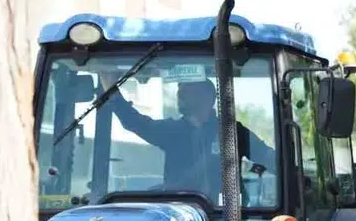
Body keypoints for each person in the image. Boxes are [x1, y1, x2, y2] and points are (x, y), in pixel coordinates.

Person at [101, 75, 276, 199]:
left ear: (208, 97)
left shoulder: (232, 132)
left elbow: (266, 155)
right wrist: (111, 90)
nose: (180, 93)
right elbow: (135, 122)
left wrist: (297, 177)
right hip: (180, 215)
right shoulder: (172, 131)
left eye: (187, 89)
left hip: (225, 219)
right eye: (179, 88)